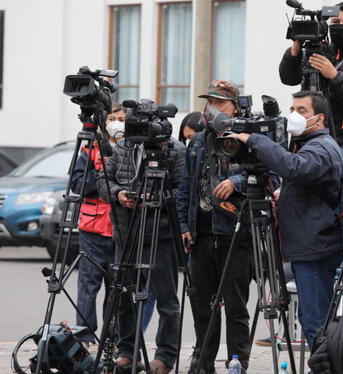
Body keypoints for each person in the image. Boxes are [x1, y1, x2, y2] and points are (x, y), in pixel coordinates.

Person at [228, 90, 343, 349]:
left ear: (320, 118)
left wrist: (255, 140)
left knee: (316, 324)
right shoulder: (308, 145)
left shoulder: (321, 147)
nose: (294, 115)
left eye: (302, 110)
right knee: (310, 319)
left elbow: (294, 168)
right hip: (307, 246)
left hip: (314, 250)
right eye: (293, 109)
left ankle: (326, 368)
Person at [97, 100, 185, 374]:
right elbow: (103, 181)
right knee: (123, 294)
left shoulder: (174, 149)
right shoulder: (122, 147)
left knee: (167, 300)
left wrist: (157, 198)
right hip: (127, 231)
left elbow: (183, 191)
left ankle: (165, 356)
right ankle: (127, 351)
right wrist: (119, 195)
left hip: (161, 234)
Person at [176, 80, 255, 374]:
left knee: (235, 305)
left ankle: (237, 361)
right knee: (202, 305)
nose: (213, 108)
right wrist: (185, 224)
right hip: (201, 235)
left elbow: (268, 177)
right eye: (210, 102)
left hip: (235, 235)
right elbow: (186, 187)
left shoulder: (249, 137)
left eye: (220, 102)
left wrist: (235, 182)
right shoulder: (197, 142)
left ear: (234, 107)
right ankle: (204, 360)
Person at [279, 0, 343, 141]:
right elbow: (288, 79)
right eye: (336, 21)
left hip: (341, 140)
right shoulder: (315, 52)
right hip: (306, 136)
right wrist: (295, 51)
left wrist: (335, 76)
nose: (340, 25)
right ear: (328, 25)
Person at [70, 103, 125, 346]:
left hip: (121, 228)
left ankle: (111, 337)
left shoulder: (132, 148)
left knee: (117, 288)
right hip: (91, 228)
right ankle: (83, 333)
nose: (117, 123)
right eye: (112, 118)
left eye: (121, 118)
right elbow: (77, 183)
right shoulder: (90, 148)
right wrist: (103, 175)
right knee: (87, 286)